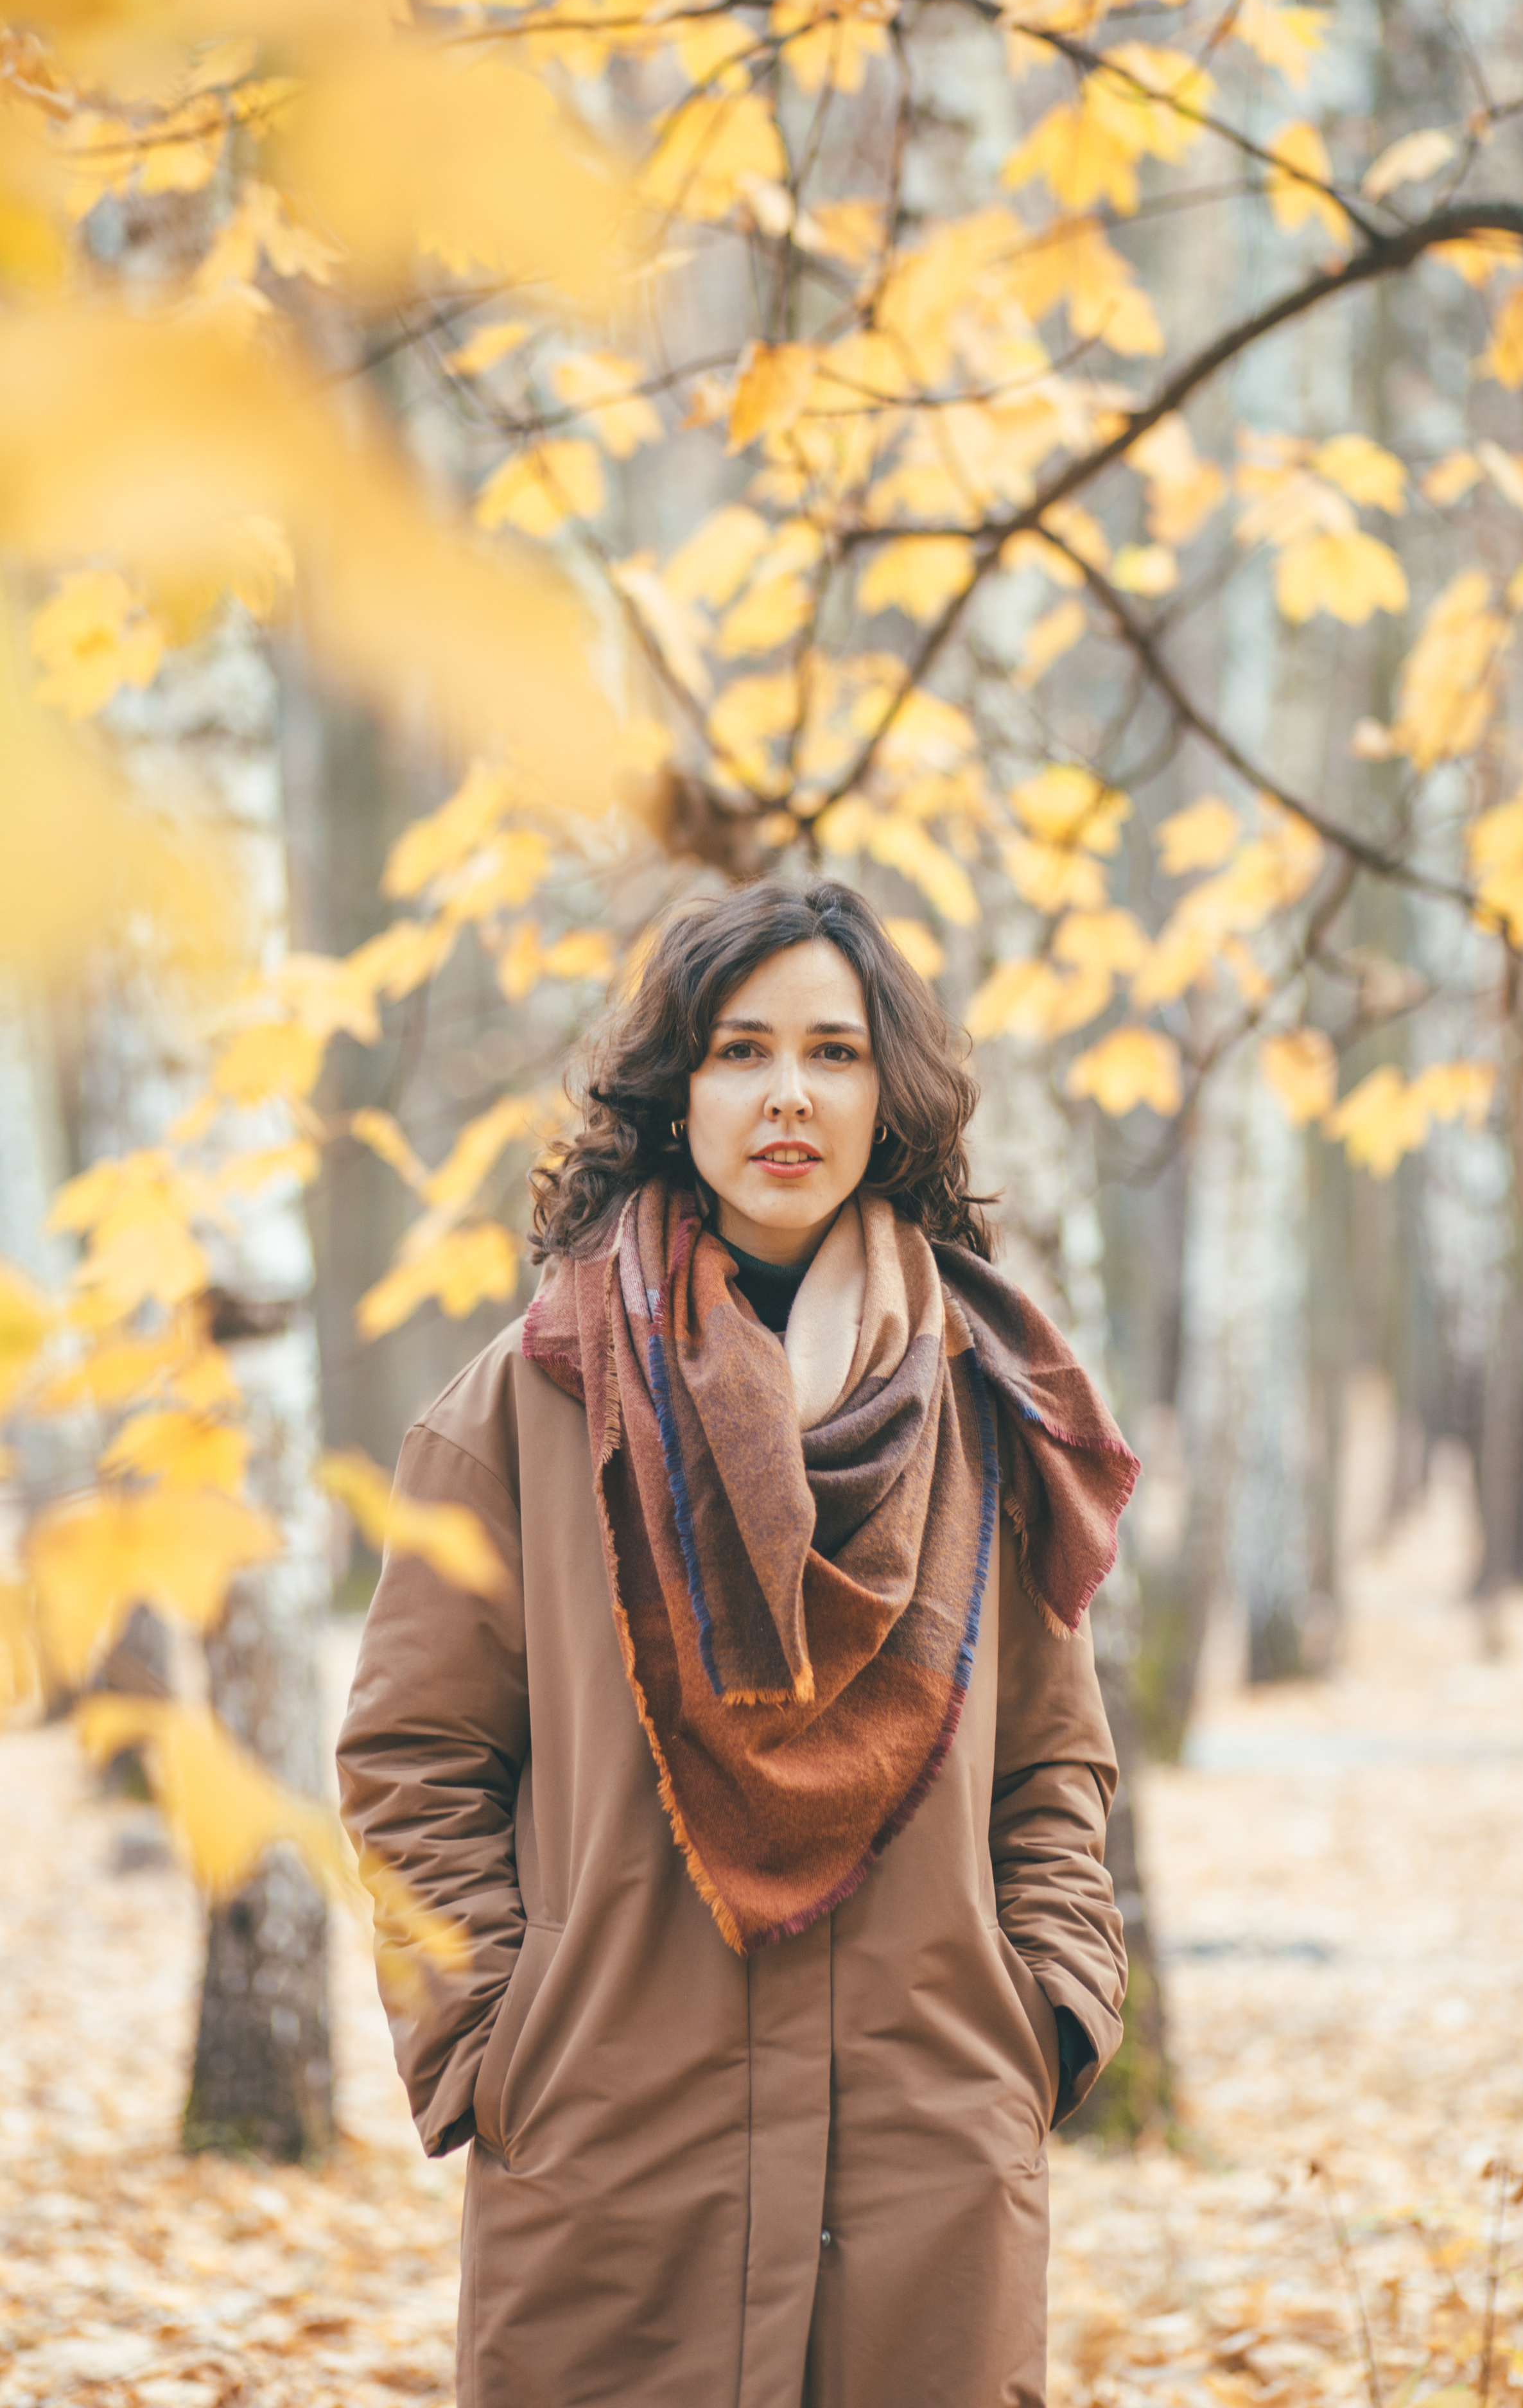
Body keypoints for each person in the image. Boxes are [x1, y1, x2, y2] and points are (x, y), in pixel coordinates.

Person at [336, 878, 1138, 2408]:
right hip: (611, 2157)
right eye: (739, 1050)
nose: (787, 1096)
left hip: (929, 2163)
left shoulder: (984, 1407)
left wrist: (1038, 2019)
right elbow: (411, 1758)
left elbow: (1054, 1767)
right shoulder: (527, 1407)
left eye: (833, 1055)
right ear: (675, 1092)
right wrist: (493, 2046)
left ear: (884, 1096)